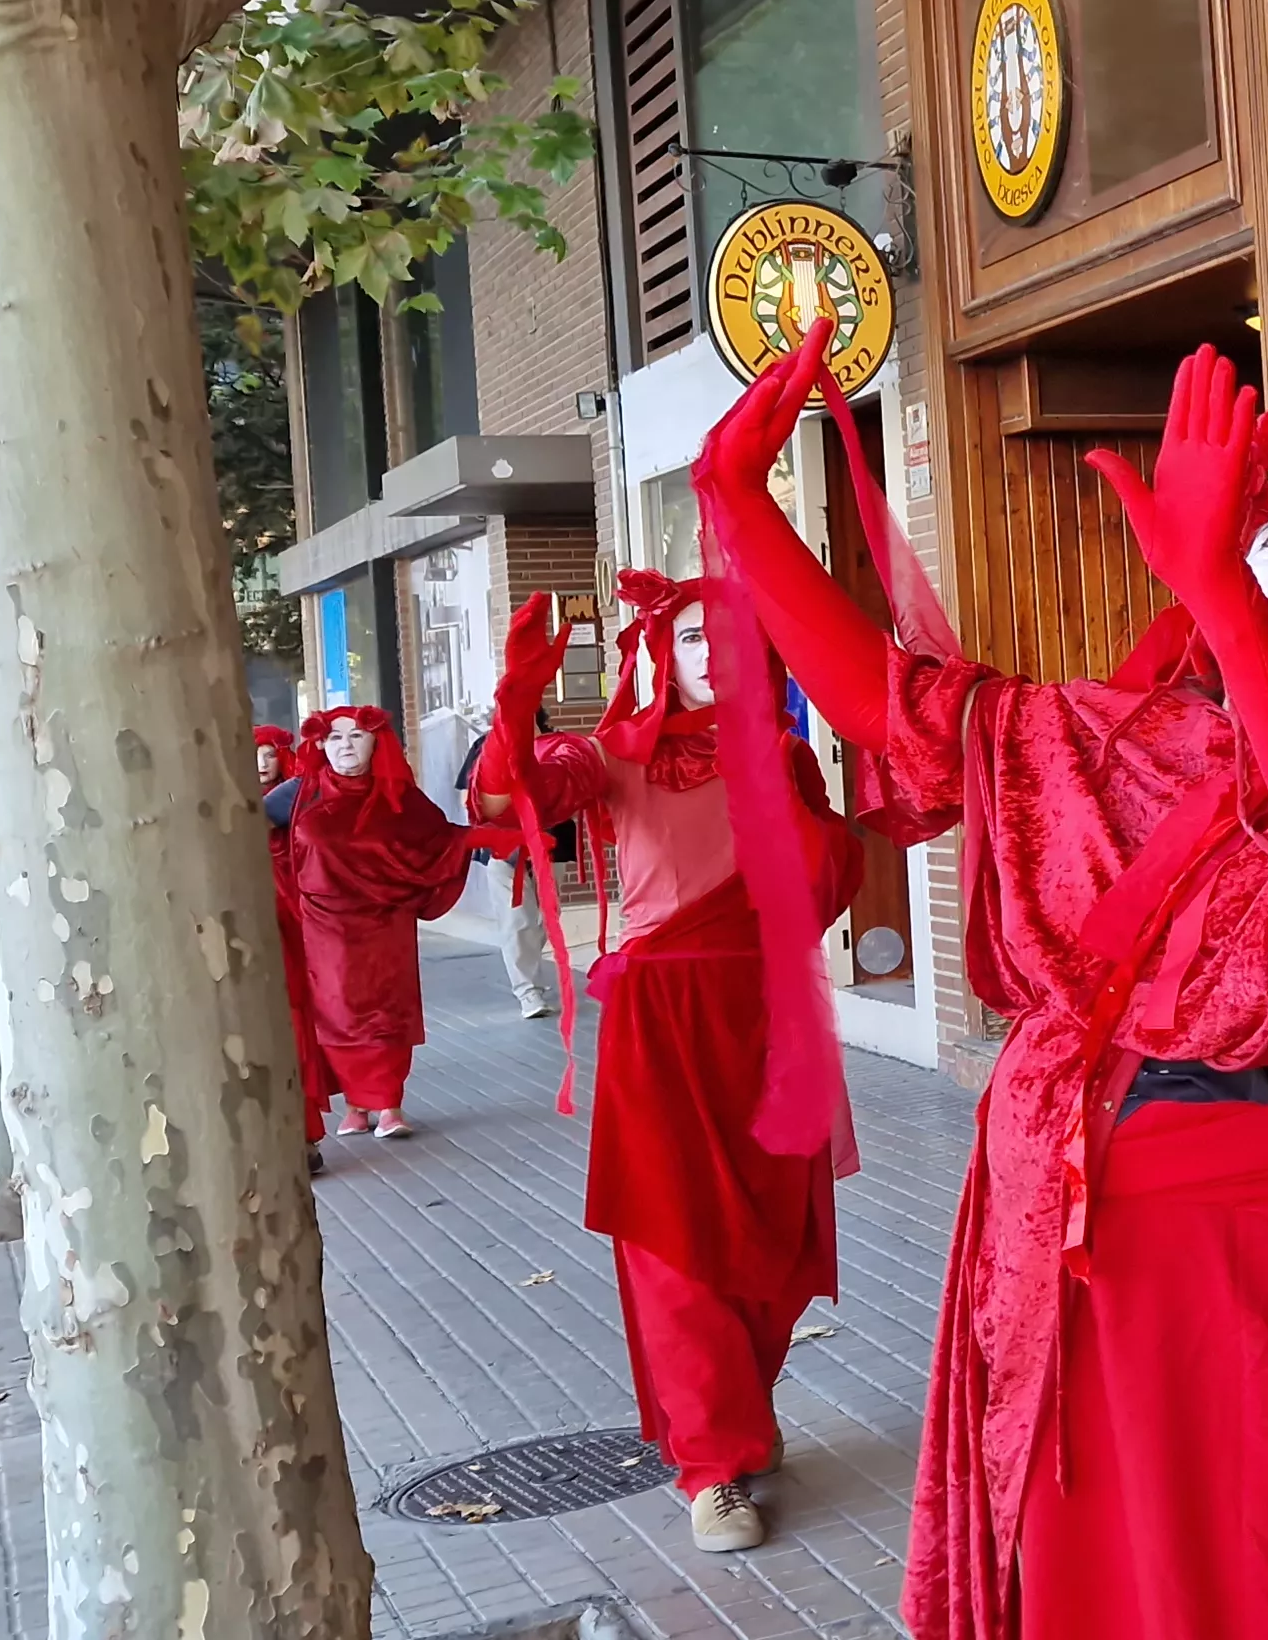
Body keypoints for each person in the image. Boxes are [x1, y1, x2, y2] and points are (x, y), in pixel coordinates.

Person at [701, 324, 1268, 1638]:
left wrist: (1210, 581)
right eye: (1263, 553)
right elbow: (899, 709)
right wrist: (740, 507)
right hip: (1091, 1280)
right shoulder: (1137, 746)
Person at [471, 571, 856, 1555]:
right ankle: (711, 1465)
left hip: (770, 1017)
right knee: (671, 1240)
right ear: (657, 651)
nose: (711, 655)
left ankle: (743, 1410)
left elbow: (826, 884)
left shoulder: (786, 755)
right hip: (661, 1021)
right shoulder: (604, 756)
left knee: (776, 1236)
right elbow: (514, 791)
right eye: (692, 638)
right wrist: (516, 705)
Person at [265, 706, 485, 1140]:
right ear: (320, 746)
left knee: (387, 1016)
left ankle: (389, 1105)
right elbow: (253, 833)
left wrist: (487, 836)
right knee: (336, 1015)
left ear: (375, 742)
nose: (345, 746)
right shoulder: (297, 793)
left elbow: (441, 840)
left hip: (387, 927)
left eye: (356, 736)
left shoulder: (400, 795)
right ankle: (355, 1106)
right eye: (334, 738)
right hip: (325, 929)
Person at [453, 707, 569, 1021]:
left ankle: (531, 976)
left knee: (547, 917)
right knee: (516, 917)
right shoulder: (485, 746)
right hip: (503, 845)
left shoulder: (558, 745)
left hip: (553, 840)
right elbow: (468, 796)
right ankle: (527, 992)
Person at [257, 726, 337, 1177]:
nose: (261, 762)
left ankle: (302, 1134)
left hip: (292, 921)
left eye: (269, 753)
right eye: (253, 753)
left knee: (292, 1022)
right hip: (248, 922)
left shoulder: (297, 796)